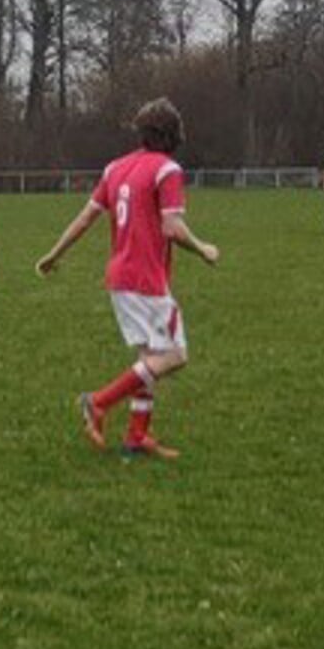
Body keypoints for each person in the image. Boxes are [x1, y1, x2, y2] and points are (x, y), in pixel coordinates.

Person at [36, 98, 219, 460]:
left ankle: (137, 437)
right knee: (175, 355)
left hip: (119, 277)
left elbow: (86, 217)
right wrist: (203, 248)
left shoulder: (115, 168)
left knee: (148, 356)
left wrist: (54, 254)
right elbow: (172, 227)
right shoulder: (167, 170)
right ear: (175, 134)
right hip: (145, 278)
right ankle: (99, 402)